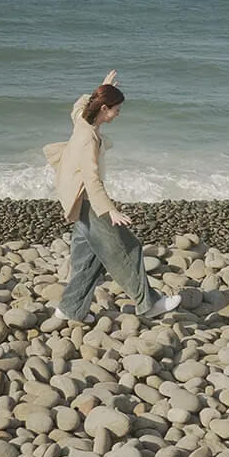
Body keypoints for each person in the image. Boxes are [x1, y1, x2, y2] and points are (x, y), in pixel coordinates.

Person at [43, 70, 181, 321]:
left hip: (76, 199)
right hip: (88, 201)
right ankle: (149, 304)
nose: (119, 114)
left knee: (89, 259)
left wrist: (101, 88)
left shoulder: (83, 121)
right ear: (104, 109)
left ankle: (70, 308)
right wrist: (110, 210)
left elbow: (77, 106)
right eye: (116, 109)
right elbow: (91, 179)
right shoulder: (88, 138)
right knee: (127, 248)